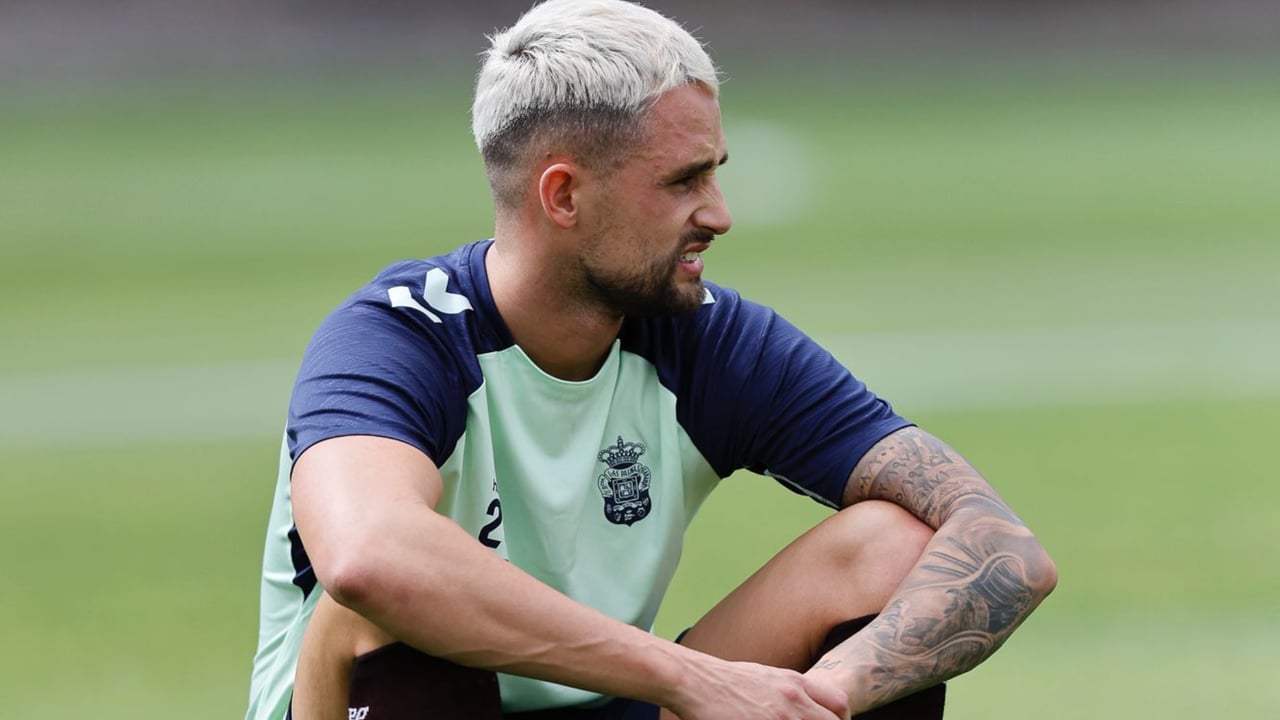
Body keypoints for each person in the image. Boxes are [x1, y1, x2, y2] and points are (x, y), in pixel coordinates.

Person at [244, 1, 1057, 718]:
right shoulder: (398, 337)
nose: (720, 214)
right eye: (683, 181)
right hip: (415, 698)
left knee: (892, 546)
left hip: (624, 703)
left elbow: (1003, 548)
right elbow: (368, 560)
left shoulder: (709, 338)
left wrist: (815, 699)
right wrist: (692, 679)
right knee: (381, 601)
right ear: (563, 195)